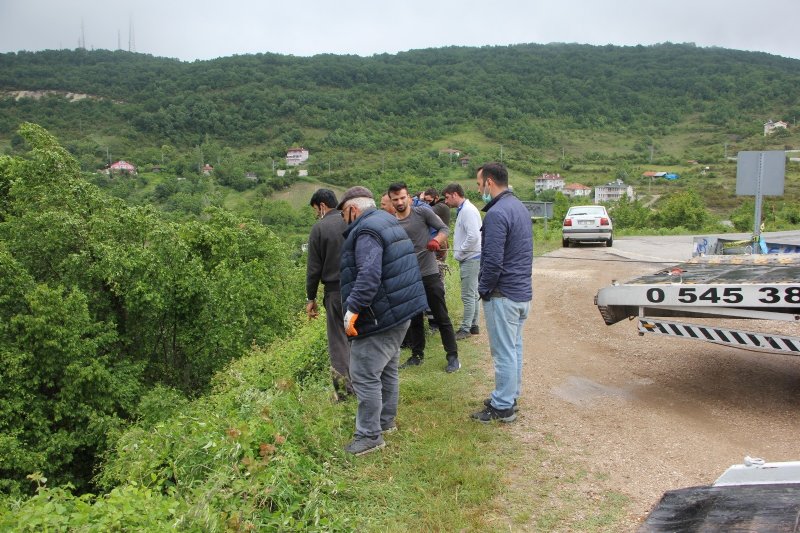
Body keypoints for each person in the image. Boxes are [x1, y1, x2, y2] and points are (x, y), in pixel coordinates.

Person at [338, 186, 427, 456]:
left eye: (343, 213)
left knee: (364, 374)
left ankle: (369, 436)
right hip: (401, 310)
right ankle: (385, 422)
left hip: (380, 315)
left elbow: (368, 275)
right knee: (387, 369)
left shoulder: (365, 231)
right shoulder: (386, 219)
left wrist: (352, 311)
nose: (343, 219)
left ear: (353, 210)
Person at [471, 162, 533, 423]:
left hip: (503, 295)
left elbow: (493, 261)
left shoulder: (496, 214)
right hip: (521, 294)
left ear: (489, 182)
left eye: (478, 184)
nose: (478, 189)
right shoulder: (519, 207)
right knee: (514, 348)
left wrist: (483, 288)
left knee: (503, 352)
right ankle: (509, 395)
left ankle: (502, 406)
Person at [388, 182, 460, 373]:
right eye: (395, 199)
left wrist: (436, 240)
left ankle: (453, 356)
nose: (400, 202)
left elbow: (445, 229)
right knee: (415, 319)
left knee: (441, 316)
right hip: (408, 278)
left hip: (429, 273)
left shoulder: (423, 213)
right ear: (391, 201)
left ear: (409, 197)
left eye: (402, 198)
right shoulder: (390, 222)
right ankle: (416, 356)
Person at [306, 189, 353, 400]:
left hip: (335, 292)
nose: (317, 214)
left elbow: (313, 268)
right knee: (360, 338)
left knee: (338, 341)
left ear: (322, 206)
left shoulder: (319, 228)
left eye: (316, 210)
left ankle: (343, 393)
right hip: (360, 288)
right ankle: (366, 384)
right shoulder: (352, 221)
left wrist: (311, 298)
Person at [442, 183, 482, 340]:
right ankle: (473, 325)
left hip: (470, 258)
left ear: (455, 194)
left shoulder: (467, 211)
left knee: (467, 294)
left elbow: (474, 236)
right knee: (472, 293)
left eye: (446, 197)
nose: (446, 201)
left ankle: (465, 328)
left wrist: (459, 252)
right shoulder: (466, 209)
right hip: (472, 257)